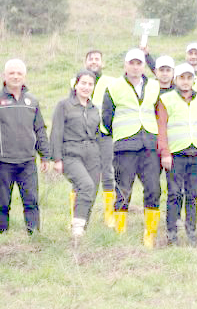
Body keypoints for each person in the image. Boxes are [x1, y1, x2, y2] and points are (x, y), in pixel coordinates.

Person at [0, 58, 50, 236]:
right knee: (3, 203)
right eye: (11, 73)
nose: (15, 76)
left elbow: (40, 129)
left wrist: (45, 156)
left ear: (24, 77)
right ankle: (2, 238)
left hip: (27, 161)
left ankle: (35, 237)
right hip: (2, 162)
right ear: (4, 76)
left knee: (31, 202)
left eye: (19, 73)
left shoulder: (32, 101)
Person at [101, 49, 163, 247]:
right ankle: (120, 233)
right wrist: (121, 133)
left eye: (139, 63)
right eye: (132, 63)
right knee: (123, 189)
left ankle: (150, 235)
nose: (135, 67)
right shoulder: (113, 87)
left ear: (144, 66)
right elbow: (107, 117)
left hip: (149, 145)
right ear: (125, 65)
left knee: (153, 189)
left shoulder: (155, 86)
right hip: (125, 146)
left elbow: (158, 112)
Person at [157, 63, 197, 244]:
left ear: (194, 80)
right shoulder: (166, 100)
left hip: (196, 153)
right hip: (176, 154)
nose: (186, 82)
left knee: (193, 194)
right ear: (176, 79)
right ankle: (171, 232)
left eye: (189, 78)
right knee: (174, 193)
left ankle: (191, 232)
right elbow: (162, 128)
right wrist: (165, 153)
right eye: (182, 78)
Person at [51, 70, 103, 241]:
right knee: (85, 185)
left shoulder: (95, 109)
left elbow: (98, 135)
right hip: (71, 154)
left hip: (93, 155)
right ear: (76, 84)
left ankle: (82, 229)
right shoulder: (64, 105)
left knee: (92, 191)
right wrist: (57, 159)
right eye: (83, 83)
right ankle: (77, 230)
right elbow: (56, 132)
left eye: (90, 84)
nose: (86, 87)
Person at [72, 49, 119, 230]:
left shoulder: (111, 82)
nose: (94, 61)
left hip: (104, 134)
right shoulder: (75, 81)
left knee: (107, 173)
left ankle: (109, 216)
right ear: (85, 62)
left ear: (102, 62)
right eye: (90, 58)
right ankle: (76, 216)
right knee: (80, 175)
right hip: (83, 135)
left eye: (97, 58)